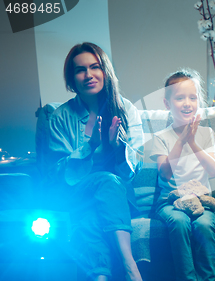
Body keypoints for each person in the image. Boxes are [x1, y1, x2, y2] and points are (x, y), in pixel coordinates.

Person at [46, 42, 143, 281]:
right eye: (80, 70)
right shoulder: (60, 117)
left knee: (90, 217)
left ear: (105, 71)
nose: (88, 75)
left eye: (95, 67)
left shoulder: (126, 110)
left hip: (118, 197)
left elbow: (134, 169)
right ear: (72, 78)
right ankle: (130, 265)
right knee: (103, 183)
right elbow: (56, 173)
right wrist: (90, 146)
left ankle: (100, 276)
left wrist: (119, 148)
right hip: (76, 192)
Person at [150, 69, 215, 281]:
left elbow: (214, 170)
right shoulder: (160, 137)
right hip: (169, 202)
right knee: (179, 223)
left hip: (202, 201)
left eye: (192, 97)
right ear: (167, 104)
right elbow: (165, 174)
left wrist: (192, 141)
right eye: (179, 98)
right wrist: (180, 141)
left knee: (204, 225)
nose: (187, 103)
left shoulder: (207, 133)